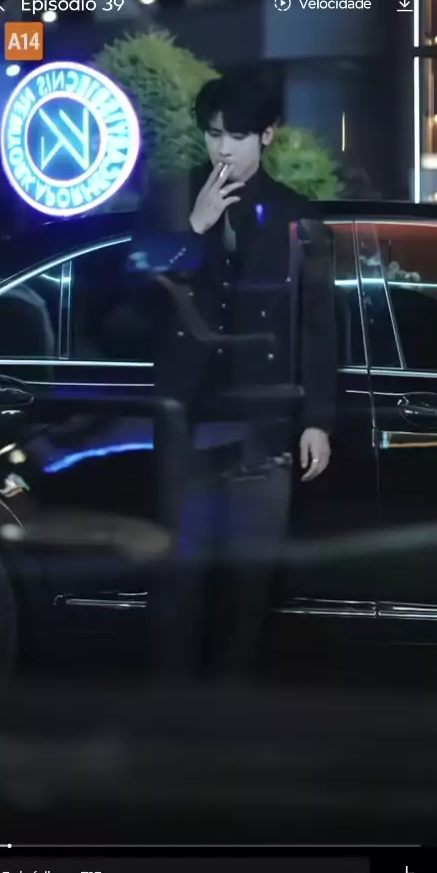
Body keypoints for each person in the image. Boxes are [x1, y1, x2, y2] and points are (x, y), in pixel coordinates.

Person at [149, 72, 337, 679]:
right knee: (180, 586)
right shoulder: (173, 202)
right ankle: (172, 707)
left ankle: (232, 707)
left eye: (235, 136)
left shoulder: (295, 214)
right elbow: (131, 304)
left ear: (267, 135)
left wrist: (317, 420)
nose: (222, 149)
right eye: (213, 135)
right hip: (190, 420)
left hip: (263, 422)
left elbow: (316, 326)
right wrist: (194, 230)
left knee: (248, 590)